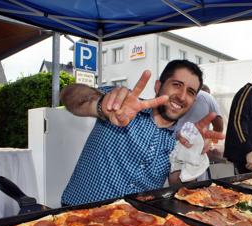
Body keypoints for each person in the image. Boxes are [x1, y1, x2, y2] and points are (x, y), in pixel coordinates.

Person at [60, 60, 223, 206]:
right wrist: (103, 106)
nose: (182, 96)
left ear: (193, 102)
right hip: (77, 213)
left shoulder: (179, 140)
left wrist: (193, 154)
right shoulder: (124, 103)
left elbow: (178, 185)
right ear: (158, 86)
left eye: (190, 92)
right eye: (177, 85)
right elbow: (69, 96)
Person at [173, 88, 224, 181]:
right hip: (196, 149)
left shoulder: (172, 94)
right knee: (194, 186)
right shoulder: (207, 97)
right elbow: (219, 126)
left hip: (175, 145)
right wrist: (210, 140)